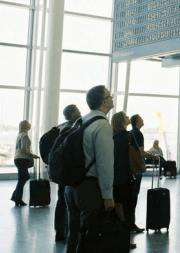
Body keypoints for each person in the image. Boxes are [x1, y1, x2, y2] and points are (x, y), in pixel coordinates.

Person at [65, 86, 116, 253]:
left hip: (71, 187)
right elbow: (105, 163)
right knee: (89, 238)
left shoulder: (81, 121)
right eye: (110, 96)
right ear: (103, 101)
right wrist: (108, 195)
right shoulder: (102, 125)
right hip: (89, 189)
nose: (112, 98)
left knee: (73, 235)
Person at [53, 104, 82, 243]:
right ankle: (67, 233)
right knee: (68, 204)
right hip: (68, 172)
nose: (81, 113)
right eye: (78, 111)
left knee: (61, 202)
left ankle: (60, 232)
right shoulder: (72, 129)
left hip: (60, 172)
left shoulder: (61, 127)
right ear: (73, 115)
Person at [128, 114, 159, 233]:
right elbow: (141, 152)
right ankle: (131, 224)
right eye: (141, 119)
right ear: (137, 122)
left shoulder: (131, 132)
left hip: (131, 169)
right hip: (136, 169)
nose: (143, 120)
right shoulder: (138, 134)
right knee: (134, 195)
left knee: (131, 196)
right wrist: (154, 157)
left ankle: (130, 222)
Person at [111, 112, 139, 250]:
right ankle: (125, 242)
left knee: (116, 211)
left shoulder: (111, 136)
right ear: (122, 121)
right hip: (126, 178)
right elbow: (137, 154)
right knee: (128, 211)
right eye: (126, 117)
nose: (129, 118)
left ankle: (114, 240)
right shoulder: (128, 135)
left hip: (113, 179)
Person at [11, 120, 40, 206]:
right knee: (23, 178)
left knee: (23, 177)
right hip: (22, 159)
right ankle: (17, 199)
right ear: (25, 126)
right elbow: (24, 148)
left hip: (18, 158)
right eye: (28, 124)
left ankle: (15, 197)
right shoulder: (24, 135)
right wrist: (32, 154)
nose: (30, 125)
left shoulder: (20, 134)